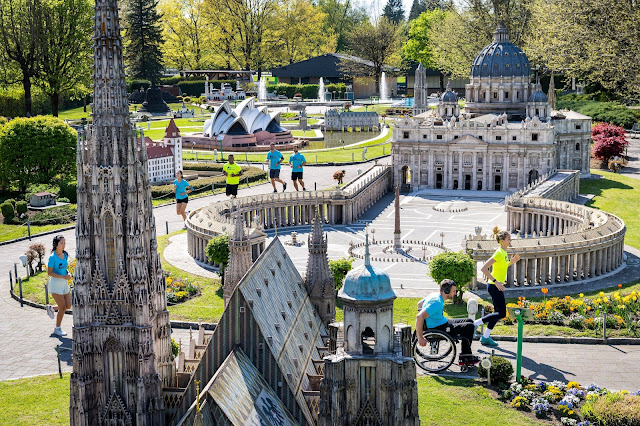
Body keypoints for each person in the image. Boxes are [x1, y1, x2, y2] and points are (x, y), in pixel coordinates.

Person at [473, 230, 521, 347]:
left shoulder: (504, 252)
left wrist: (512, 262)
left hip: (496, 286)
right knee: (501, 313)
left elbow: (503, 266)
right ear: (502, 241)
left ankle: (485, 337)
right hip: (494, 286)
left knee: (497, 313)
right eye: (509, 239)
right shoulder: (499, 252)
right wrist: (496, 282)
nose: (510, 241)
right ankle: (476, 324)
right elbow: (484, 268)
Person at [415, 279, 479, 364]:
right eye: (454, 291)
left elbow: (419, 304)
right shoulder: (436, 302)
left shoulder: (434, 295)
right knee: (469, 326)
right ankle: (465, 356)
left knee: (469, 321)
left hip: (441, 322)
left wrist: (427, 321)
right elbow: (419, 317)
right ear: (447, 291)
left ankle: (466, 354)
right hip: (439, 327)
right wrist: (420, 338)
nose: (455, 293)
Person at [45, 235, 72, 337]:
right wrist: (63, 276)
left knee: (68, 305)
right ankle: (57, 328)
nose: (63, 245)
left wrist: (68, 273)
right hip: (56, 285)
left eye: (64, 243)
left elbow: (65, 268)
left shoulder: (65, 254)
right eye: (61, 243)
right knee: (62, 307)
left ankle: (51, 308)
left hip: (64, 284)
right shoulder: (52, 258)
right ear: (56, 244)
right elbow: (49, 273)